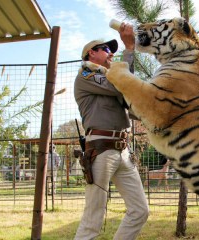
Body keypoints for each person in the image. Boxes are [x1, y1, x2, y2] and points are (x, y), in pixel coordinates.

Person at [74, 22, 149, 240]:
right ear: (92, 53)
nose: (111, 54)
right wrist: (128, 50)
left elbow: (130, 89)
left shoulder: (110, 77)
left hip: (123, 150)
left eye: (113, 51)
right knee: (92, 221)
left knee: (140, 211)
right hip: (101, 149)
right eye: (106, 49)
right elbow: (122, 85)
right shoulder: (87, 75)